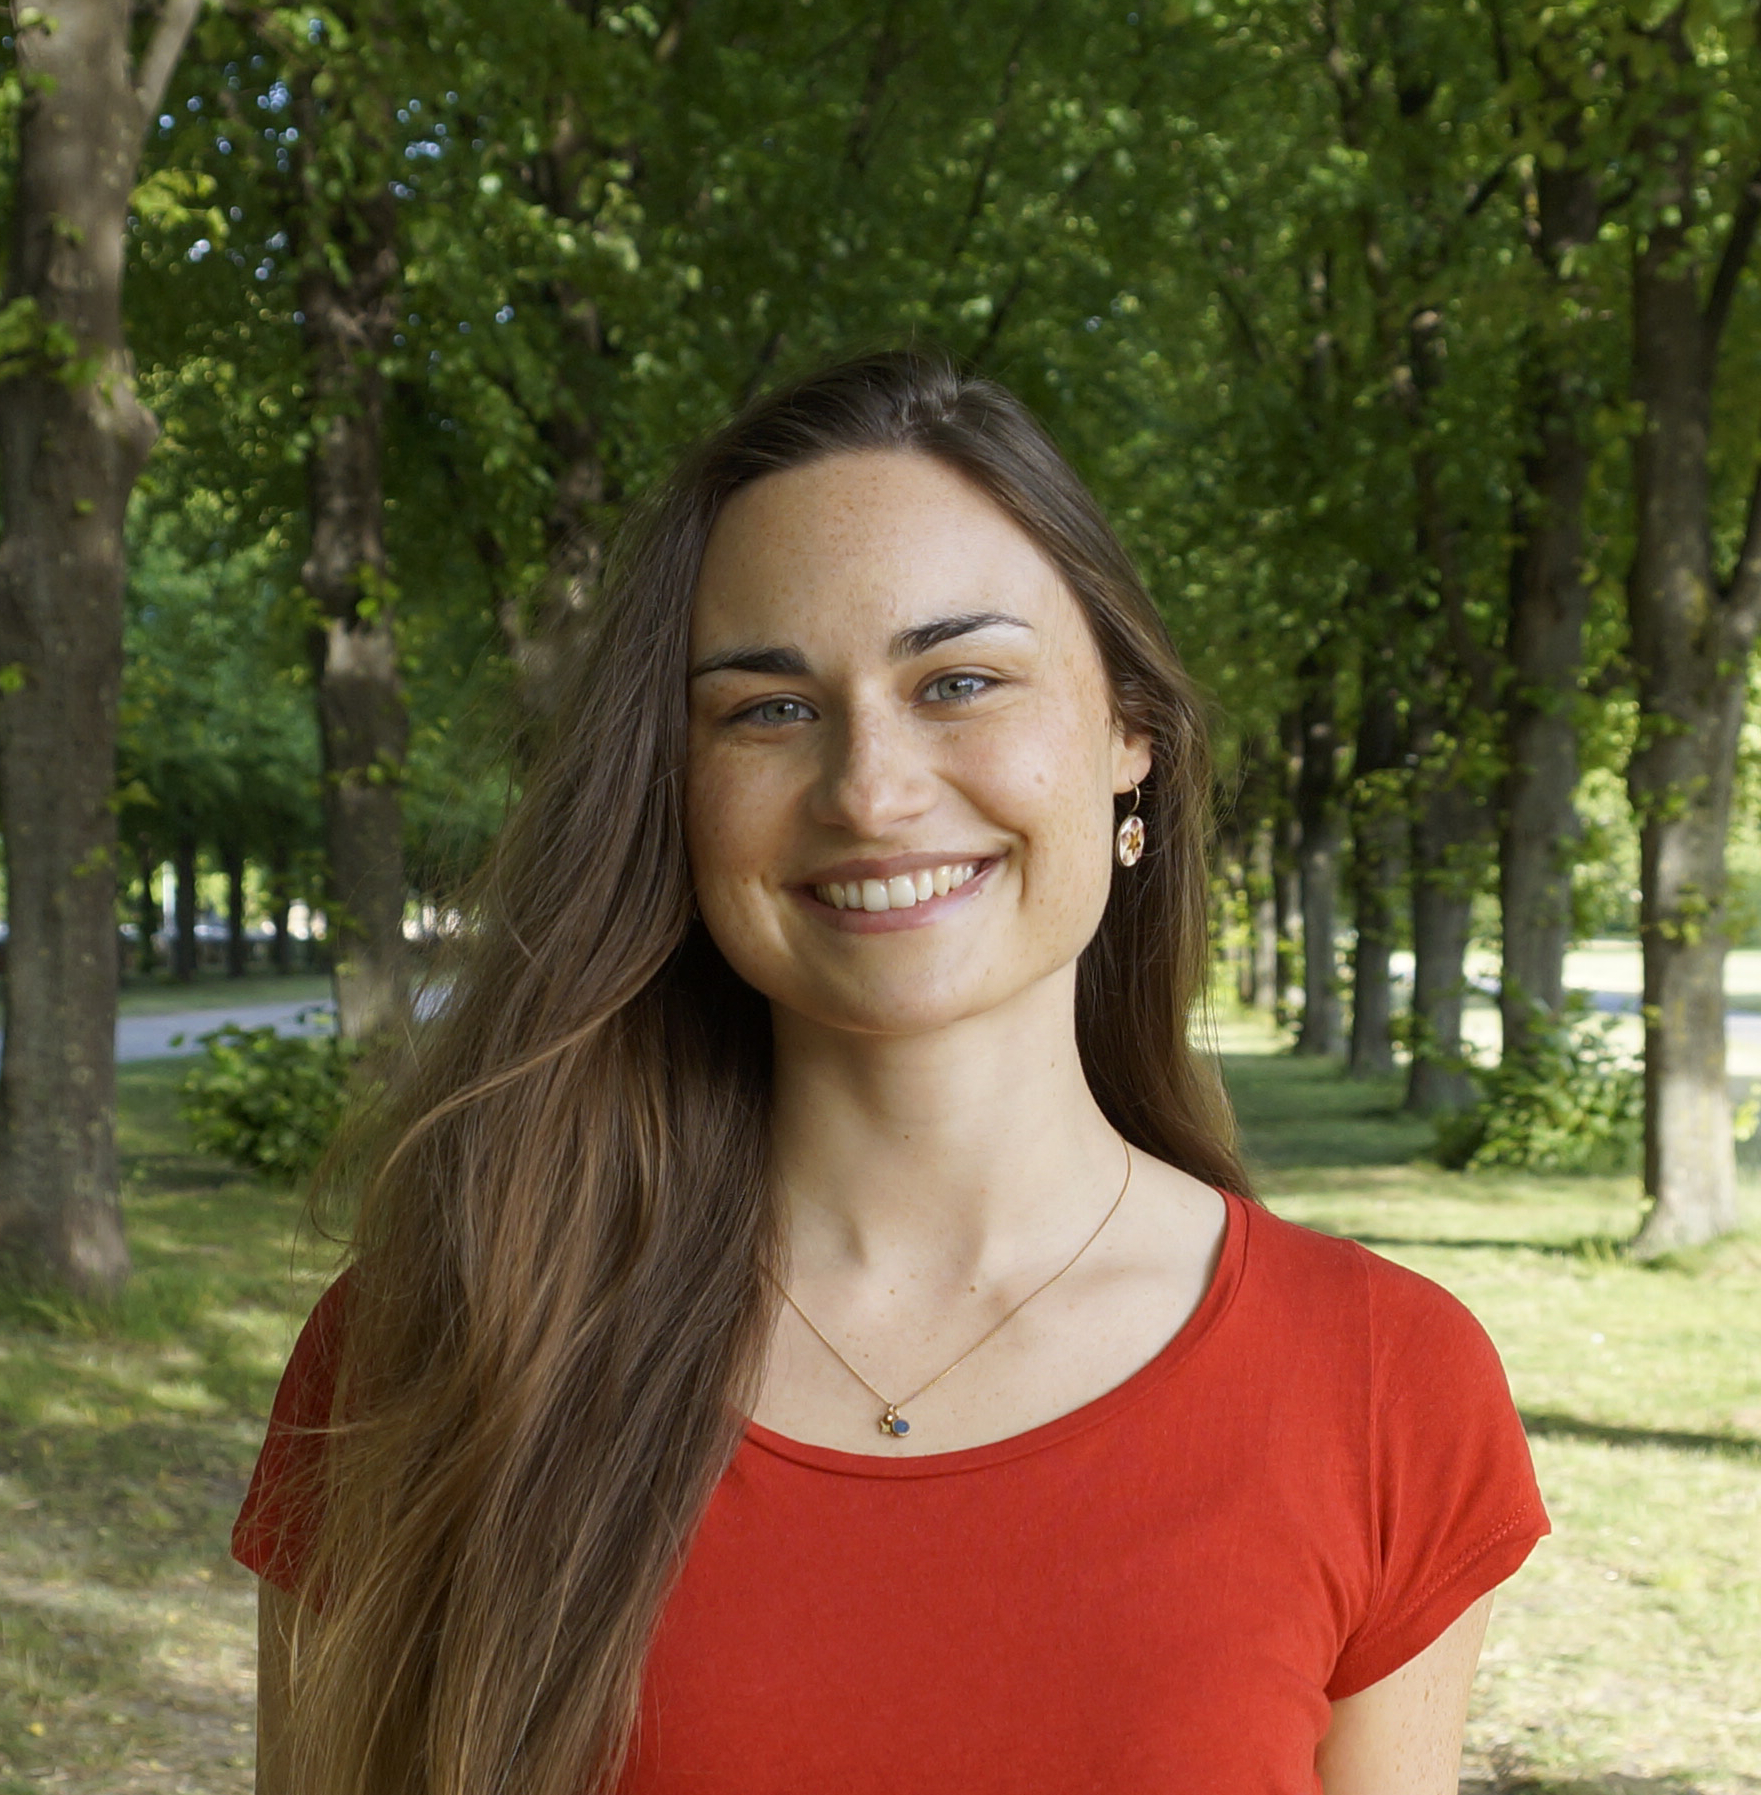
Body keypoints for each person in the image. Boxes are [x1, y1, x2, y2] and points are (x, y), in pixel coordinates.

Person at [236, 349, 1547, 1795]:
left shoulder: (1384, 1383)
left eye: (960, 681)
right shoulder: (437, 1343)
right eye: (769, 709)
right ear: (673, 788)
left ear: (1130, 734)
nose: (870, 789)